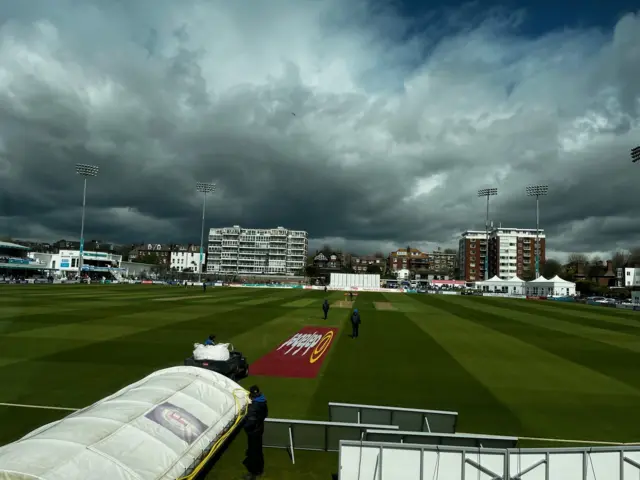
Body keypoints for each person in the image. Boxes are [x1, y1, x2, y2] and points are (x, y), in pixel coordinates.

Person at [242, 385, 268, 479]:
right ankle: (260, 469)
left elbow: (250, 422)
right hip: (260, 429)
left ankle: (254, 473)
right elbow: (265, 414)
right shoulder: (263, 401)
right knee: (258, 450)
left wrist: (244, 426)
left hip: (253, 432)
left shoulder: (254, 406)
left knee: (253, 452)